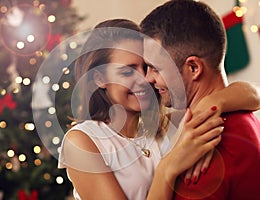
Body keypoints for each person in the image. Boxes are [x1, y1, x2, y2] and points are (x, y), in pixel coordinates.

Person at [58, 19, 259, 200]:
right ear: (99, 79)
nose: (144, 79)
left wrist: (213, 105)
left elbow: (254, 94)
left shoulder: (166, 123)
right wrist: (167, 168)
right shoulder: (82, 142)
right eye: (127, 71)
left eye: (146, 67)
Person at [140, 0, 260, 199]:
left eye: (156, 68)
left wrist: (166, 168)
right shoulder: (242, 115)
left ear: (194, 68)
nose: (147, 78)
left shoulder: (204, 154)